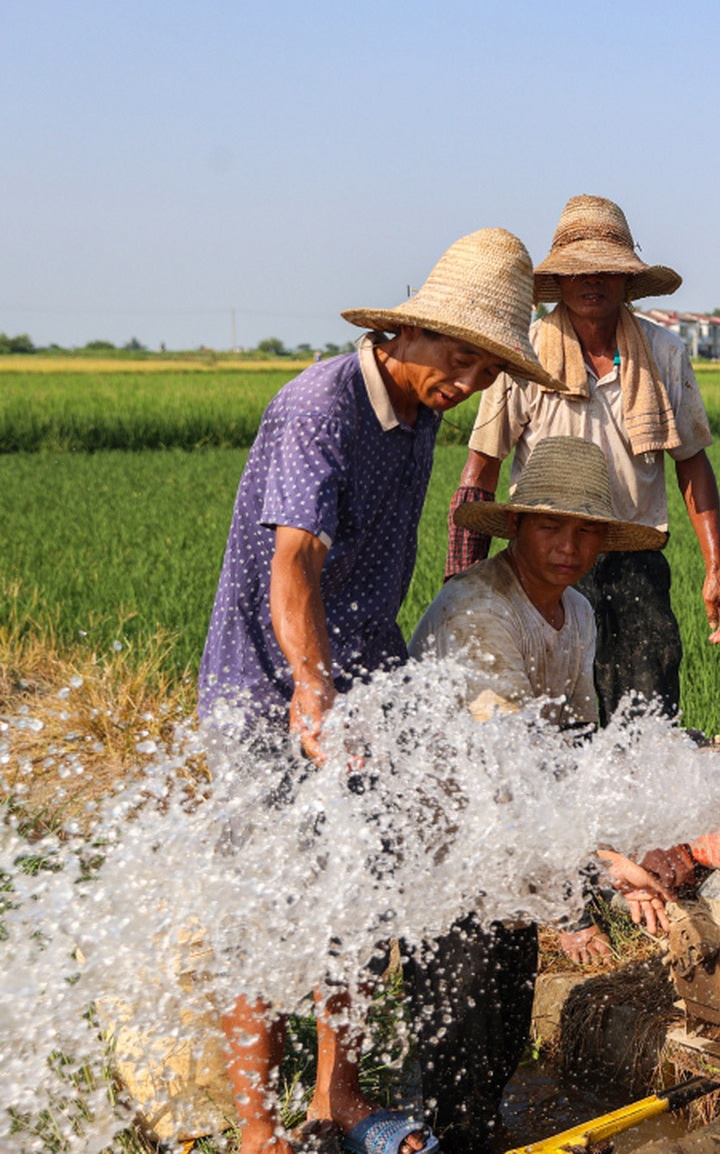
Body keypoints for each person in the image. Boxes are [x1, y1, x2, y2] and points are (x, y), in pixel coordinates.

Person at [198, 228, 557, 1154]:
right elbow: (296, 563)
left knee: (359, 892)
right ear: (409, 332)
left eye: (486, 369)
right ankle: (252, 1128)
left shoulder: (421, 413)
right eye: (461, 357)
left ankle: (337, 1098)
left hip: (363, 682)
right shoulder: (321, 403)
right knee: (269, 908)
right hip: (263, 691)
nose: (469, 382)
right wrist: (312, 692)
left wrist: (371, 696)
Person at [403, 435, 666, 1153]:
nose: (569, 545)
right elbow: (511, 760)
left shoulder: (575, 613)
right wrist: (607, 859)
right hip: (447, 861)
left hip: (512, 854)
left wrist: (642, 834)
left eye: (586, 530)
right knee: (456, 1051)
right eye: (552, 524)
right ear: (516, 526)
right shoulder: (477, 612)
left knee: (502, 1041)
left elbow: (572, 746)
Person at [449, 195, 720, 724]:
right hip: (542, 561)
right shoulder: (525, 353)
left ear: (628, 281)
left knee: (648, 717)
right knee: (550, 718)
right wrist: (464, 580)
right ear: (557, 281)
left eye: (607, 271)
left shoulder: (663, 353)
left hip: (633, 552)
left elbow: (692, 463)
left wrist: (715, 569)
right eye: (578, 272)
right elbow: (481, 467)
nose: (592, 282)